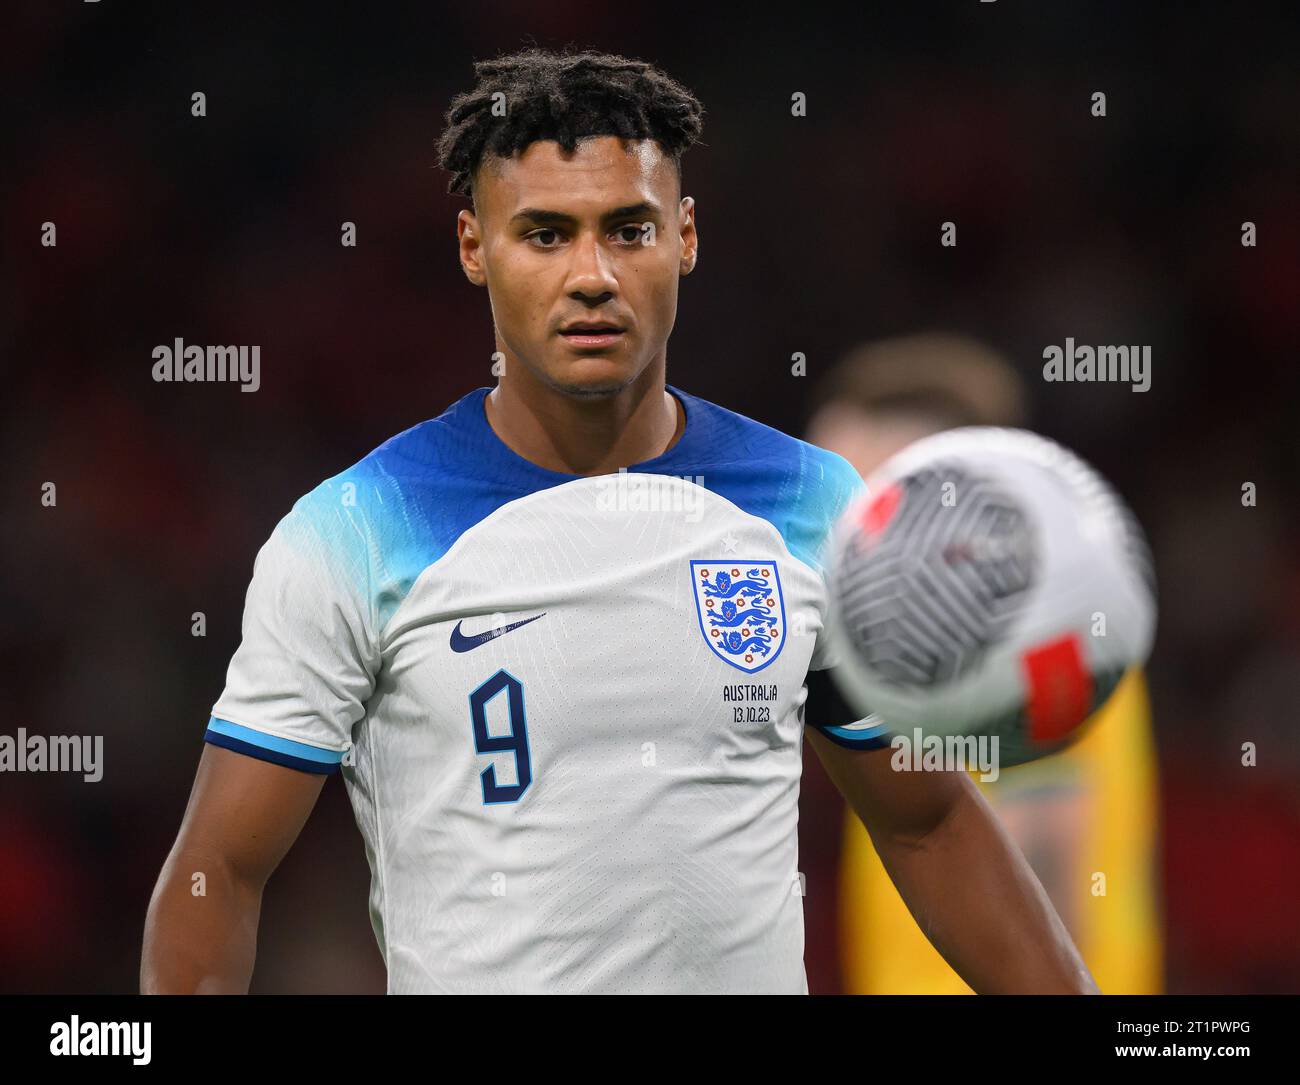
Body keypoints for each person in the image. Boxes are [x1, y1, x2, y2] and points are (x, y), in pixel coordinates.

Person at [141, 49, 1095, 994]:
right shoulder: (351, 533)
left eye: (627, 230)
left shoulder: (816, 505)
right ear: (474, 247)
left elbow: (928, 820)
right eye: (545, 234)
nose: (591, 274)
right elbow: (220, 870)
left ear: (684, 236)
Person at [804, 332, 1162, 994]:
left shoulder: (1035, 638)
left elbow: (1049, 878)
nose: (839, 526)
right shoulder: (909, 650)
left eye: (856, 486)